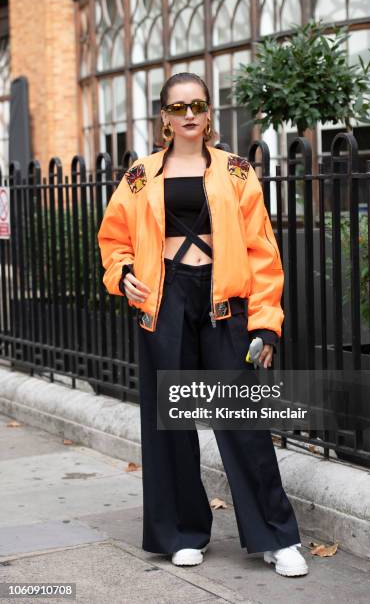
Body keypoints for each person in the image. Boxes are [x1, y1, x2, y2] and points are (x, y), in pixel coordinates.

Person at [97, 72, 308, 577]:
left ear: (209, 112)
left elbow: (262, 252)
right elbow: (114, 240)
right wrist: (123, 275)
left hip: (224, 305)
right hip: (164, 303)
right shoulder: (139, 176)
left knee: (244, 425)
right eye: (178, 107)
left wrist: (266, 326)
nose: (189, 114)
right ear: (165, 118)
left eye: (197, 104)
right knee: (170, 427)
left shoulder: (236, 172)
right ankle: (182, 532)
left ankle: (276, 538)